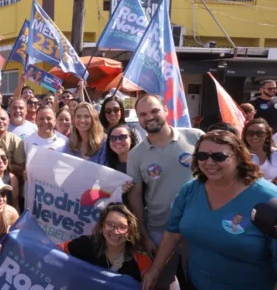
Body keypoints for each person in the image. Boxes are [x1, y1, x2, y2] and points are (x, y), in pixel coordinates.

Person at [142, 130, 277, 290]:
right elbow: (173, 232)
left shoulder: (268, 198)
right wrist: (156, 269)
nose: (209, 162)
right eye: (202, 156)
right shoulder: (190, 190)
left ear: (238, 157)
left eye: (218, 157)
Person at [126, 94, 204, 290]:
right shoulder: (135, 154)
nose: (149, 117)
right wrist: (144, 235)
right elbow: (135, 197)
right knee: (161, 283)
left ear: (166, 110)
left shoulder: (195, 137)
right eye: (142, 114)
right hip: (159, 229)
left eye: (154, 111)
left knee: (201, 282)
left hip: (199, 227)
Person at [59, 203, 151, 282]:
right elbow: (53, 253)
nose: (115, 231)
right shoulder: (84, 244)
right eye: (110, 224)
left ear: (130, 230)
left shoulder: (142, 262)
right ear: (102, 225)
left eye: (122, 227)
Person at [0, 108, 26, 175]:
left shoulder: (16, 140)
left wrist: (1, 166)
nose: (0, 121)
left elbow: (21, 167)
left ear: (8, 121)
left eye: (3, 119)